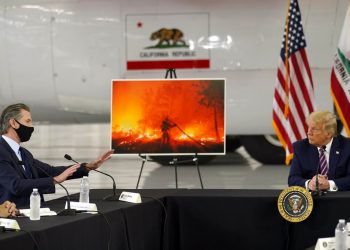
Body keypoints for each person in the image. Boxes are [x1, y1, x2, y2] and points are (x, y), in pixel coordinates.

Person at [0, 103, 114, 207]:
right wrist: (54, 180)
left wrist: (88, 167)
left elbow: (50, 171)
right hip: (11, 219)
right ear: (13, 123)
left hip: (31, 214)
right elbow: (15, 185)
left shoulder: (24, 153)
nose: (31, 126)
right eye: (28, 121)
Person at [288, 110, 350, 192]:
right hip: (313, 201)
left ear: (328, 133)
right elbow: (293, 179)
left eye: (314, 129)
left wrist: (329, 184)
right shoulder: (301, 147)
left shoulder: (347, 147)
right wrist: (309, 183)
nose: (308, 132)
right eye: (309, 127)